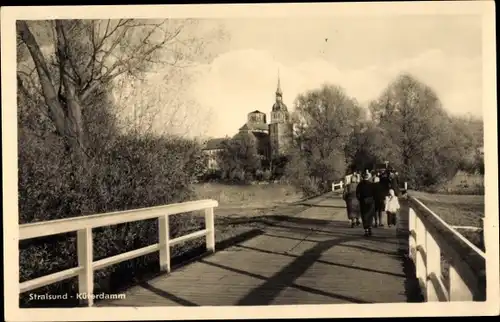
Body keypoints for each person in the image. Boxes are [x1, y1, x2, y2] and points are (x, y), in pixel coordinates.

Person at [356, 172, 376, 236]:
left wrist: (360, 199)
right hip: (371, 200)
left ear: (362, 177)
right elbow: (375, 193)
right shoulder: (371, 184)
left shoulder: (360, 184)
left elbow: (357, 194)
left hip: (363, 201)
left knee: (364, 215)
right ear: (368, 177)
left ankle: (366, 230)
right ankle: (370, 227)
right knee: (370, 215)